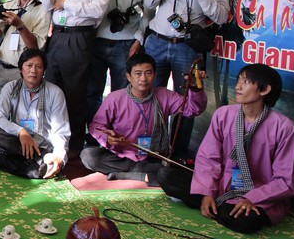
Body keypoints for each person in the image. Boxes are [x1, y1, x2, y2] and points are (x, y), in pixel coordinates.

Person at [160, 64, 294, 234]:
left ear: (264, 90)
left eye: (245, 82)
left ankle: (222, 208)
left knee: (245, 222)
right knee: (166, 175)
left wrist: (251, 198)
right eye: (238, 81)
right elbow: (209, 158)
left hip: (258, 194)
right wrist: (207, 192)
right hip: (222, 186)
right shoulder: (223, 114)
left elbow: (285, 180)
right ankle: (218, 205)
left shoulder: (284, 127)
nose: (238, 87)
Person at [144, 0, 231, 158]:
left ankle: (176, 155)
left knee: (187, 104)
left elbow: (222, 16)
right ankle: (150, 148)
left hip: (188, 48)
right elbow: (148, 5)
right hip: (157, 43)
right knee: (149, 96)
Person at [39, 0, 112, 155]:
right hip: (57, 35)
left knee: (75, 94)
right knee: (50, 89)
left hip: (80, 37)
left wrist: (66, 3)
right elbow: (47, 5)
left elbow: (98, 9)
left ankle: (74, 148)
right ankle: (51, 141)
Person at [81, 52, 206, 185]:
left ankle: (126, 175)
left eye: (148, 73)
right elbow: (96, 126)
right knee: (88, 155)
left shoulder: (164, 95)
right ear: (128, 76)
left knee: (179, 171)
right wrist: (107, 138)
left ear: (155, 75)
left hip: (153, 156)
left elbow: (193, 109)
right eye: (138, 73)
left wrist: (194, 88)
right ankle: (144, 175)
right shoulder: (115, 98)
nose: (143, 79)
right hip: (122, 156)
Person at [87, 0, 154, 124]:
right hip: (97, 41)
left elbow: (149, 12)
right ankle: (94, 133)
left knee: (122, 94)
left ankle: (118, 133)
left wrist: (138, 40)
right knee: (92, 92)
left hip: (127, 44)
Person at [0, 49, 70, 179]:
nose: (33, 70)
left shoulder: (55, 93)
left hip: (43, 145)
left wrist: (59, 157)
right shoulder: (10, 87)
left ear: (44, 70)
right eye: (29, 65)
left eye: (38, 66)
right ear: (20, 68)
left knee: (35, 172)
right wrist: (20, 132)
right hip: (19, 142)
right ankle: (40, 160)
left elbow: (60, 130)